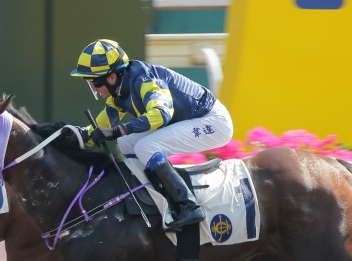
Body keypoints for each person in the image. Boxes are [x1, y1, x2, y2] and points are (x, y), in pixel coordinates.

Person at [64, 38, 234, 231]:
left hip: (213, 122)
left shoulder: (145, 80)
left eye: (94, 82)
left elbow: (161, 114)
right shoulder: (119, 90)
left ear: (111, 77)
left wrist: (118, 129)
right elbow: (101, 125)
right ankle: (151, 197)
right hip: (190, 120)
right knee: (126, 143)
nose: (94, 88)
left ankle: (188, 206)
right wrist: (78, 136)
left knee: (145, 146)